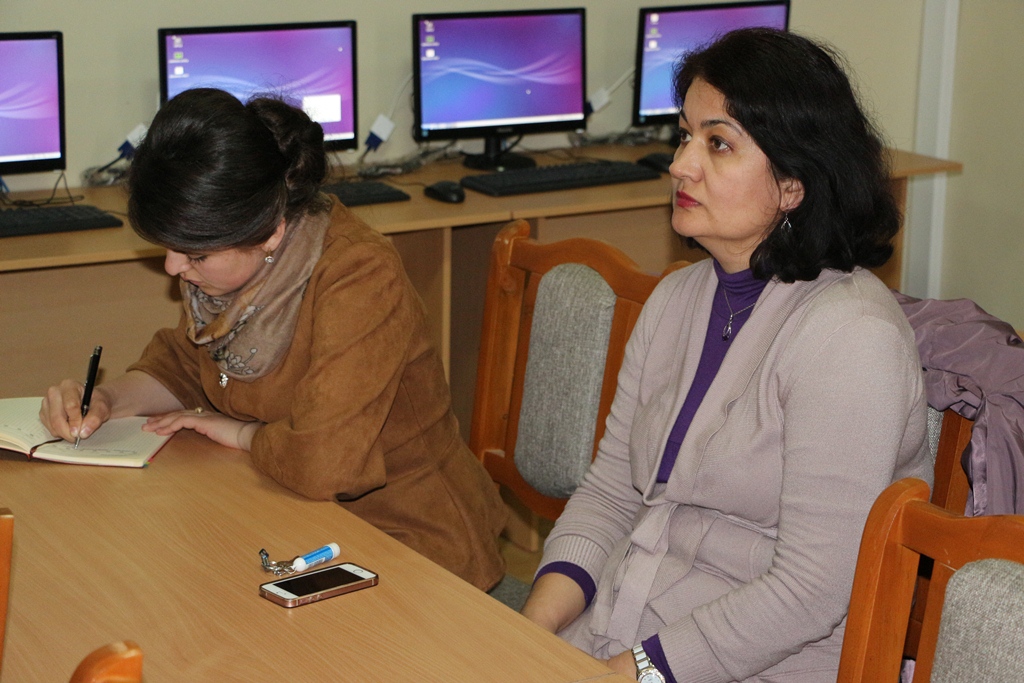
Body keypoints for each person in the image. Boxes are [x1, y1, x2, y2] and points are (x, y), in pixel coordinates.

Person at [519, 28, 932, 682]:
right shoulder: (676, 298)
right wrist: (528, 635)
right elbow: (611, 494)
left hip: (761, 665)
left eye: (718, 143)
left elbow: (812, 590)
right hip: (625, 632)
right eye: (685, 136)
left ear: (793, 183)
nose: (681, 165)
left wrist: (633, 672)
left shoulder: (852, 338)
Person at [39, 88, 507, 591]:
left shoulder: (359, 276)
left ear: (271, 233)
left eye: (194, 255)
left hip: (408, 539)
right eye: (171, 248)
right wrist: (106, 400)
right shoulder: (233, 265)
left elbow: (324, 462)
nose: (174, 267)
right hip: (291, 514)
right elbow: (186, 364)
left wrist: (240, 433)